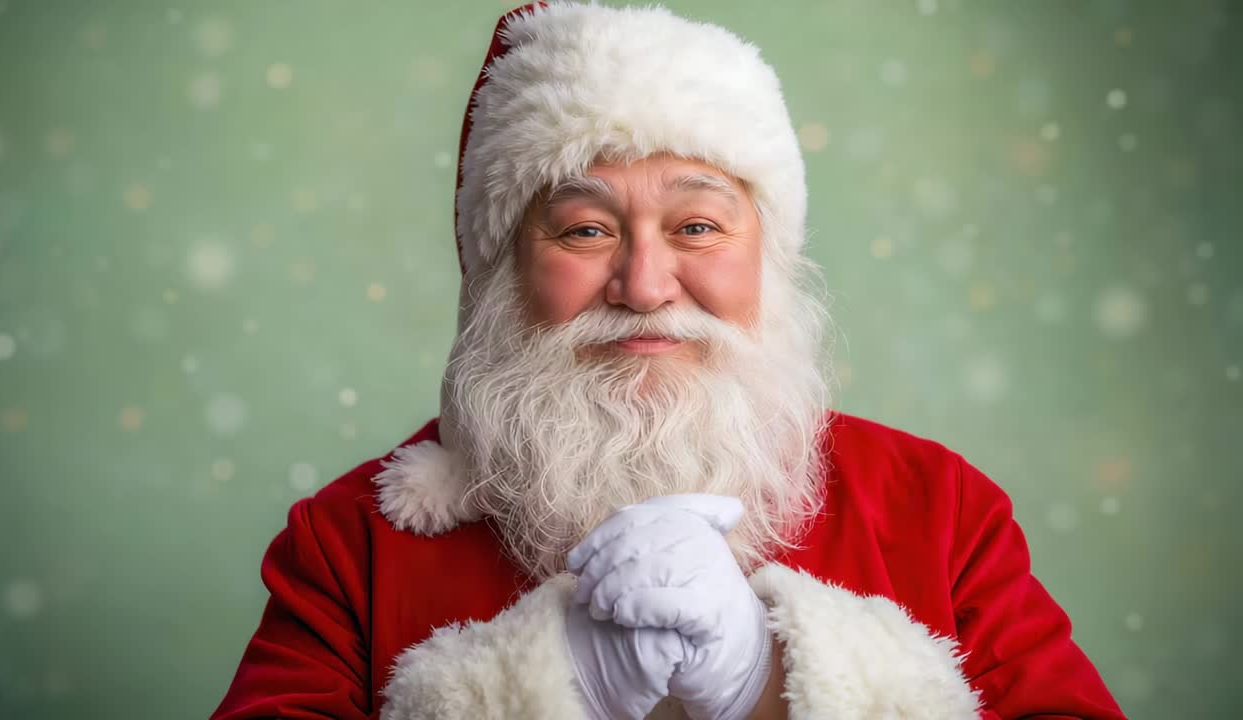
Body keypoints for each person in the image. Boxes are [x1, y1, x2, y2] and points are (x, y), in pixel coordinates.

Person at [212, 3, 1126, 719]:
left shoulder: (940, 511)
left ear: (763, 257)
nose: (645, 285)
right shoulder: (349, 546)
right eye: (584, 230)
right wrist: (540, 693)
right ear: (501, 271)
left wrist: (772, 683)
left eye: (697, 225)